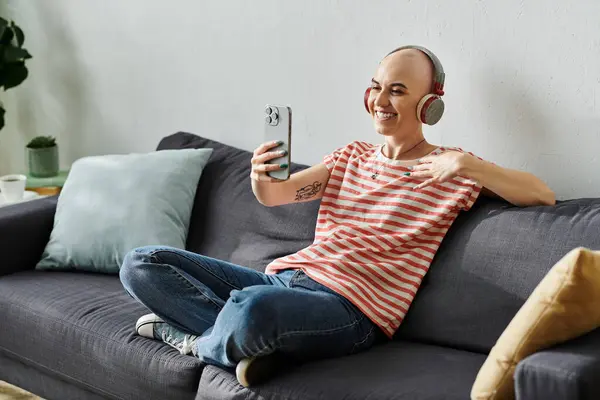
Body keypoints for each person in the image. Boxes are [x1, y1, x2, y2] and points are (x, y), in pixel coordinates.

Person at [119, 45, 555, 388]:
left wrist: (468, 165)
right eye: (376, 86)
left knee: (252, 309)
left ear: (430, 104)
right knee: (141, 264)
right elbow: (276, 195)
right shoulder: (352, 156)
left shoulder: (450, 169)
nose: (380, 100)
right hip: (286, 281)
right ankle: (246, 345)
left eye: (398, 90)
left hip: (353, 309)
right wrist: (260, 176)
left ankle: (193, 341)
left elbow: (542, 196)